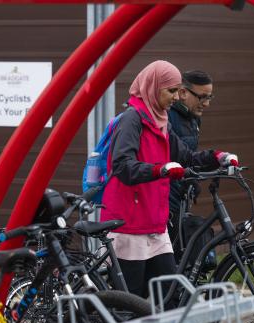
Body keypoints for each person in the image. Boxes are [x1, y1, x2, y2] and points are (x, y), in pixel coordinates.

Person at [99, 60, 239, 298]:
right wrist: (160, 170)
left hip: (154, 223)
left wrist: (218, 157)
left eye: (177, 90)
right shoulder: (132, 120)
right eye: (171, 91)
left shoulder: (161, 121)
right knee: (132, 302)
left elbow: (186, 157)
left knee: (167, 294)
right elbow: (122, 166)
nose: (176, 97)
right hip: (129, 225)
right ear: (154, 87)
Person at [167, 70, 214, 242]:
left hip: (181, 194)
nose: (206, 103)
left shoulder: (193, 118)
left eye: (209, 97)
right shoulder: (168, 117)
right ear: (183, 92)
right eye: (202, 97)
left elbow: (189, 156)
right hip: (166, 200)